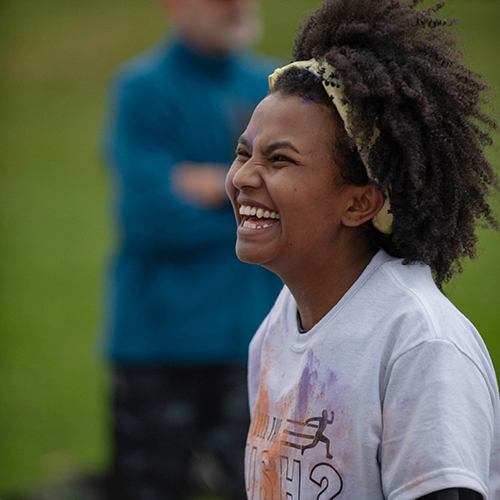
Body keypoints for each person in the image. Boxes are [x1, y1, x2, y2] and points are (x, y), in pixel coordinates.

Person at [225, 0, 500, 498]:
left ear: (359, 203)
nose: (243, 177)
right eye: (243, 152)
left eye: (279, 159)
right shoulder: (278, 326)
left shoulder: (419, 347)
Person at [102, 0, 282, 499]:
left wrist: (205, 185)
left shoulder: (276, 89)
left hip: (259, 341)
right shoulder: (141, 89)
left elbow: (302, 209)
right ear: (175, 6)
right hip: (159, 342)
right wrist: (256, 211)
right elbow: (148, 213)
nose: (238, 5)